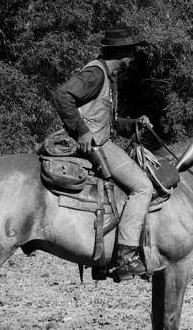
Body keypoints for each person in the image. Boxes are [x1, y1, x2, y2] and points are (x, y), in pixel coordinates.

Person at [52, 26, 154, 279]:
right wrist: (82, 131)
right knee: (143, 187)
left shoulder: (108, 78)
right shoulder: (96, 74)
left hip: (101, 139)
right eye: (131, 52)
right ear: (121, 52)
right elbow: (62, 94)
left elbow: (108, 122)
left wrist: (134, 124)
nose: (132, 59)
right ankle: (126, 256)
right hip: (97, 145)